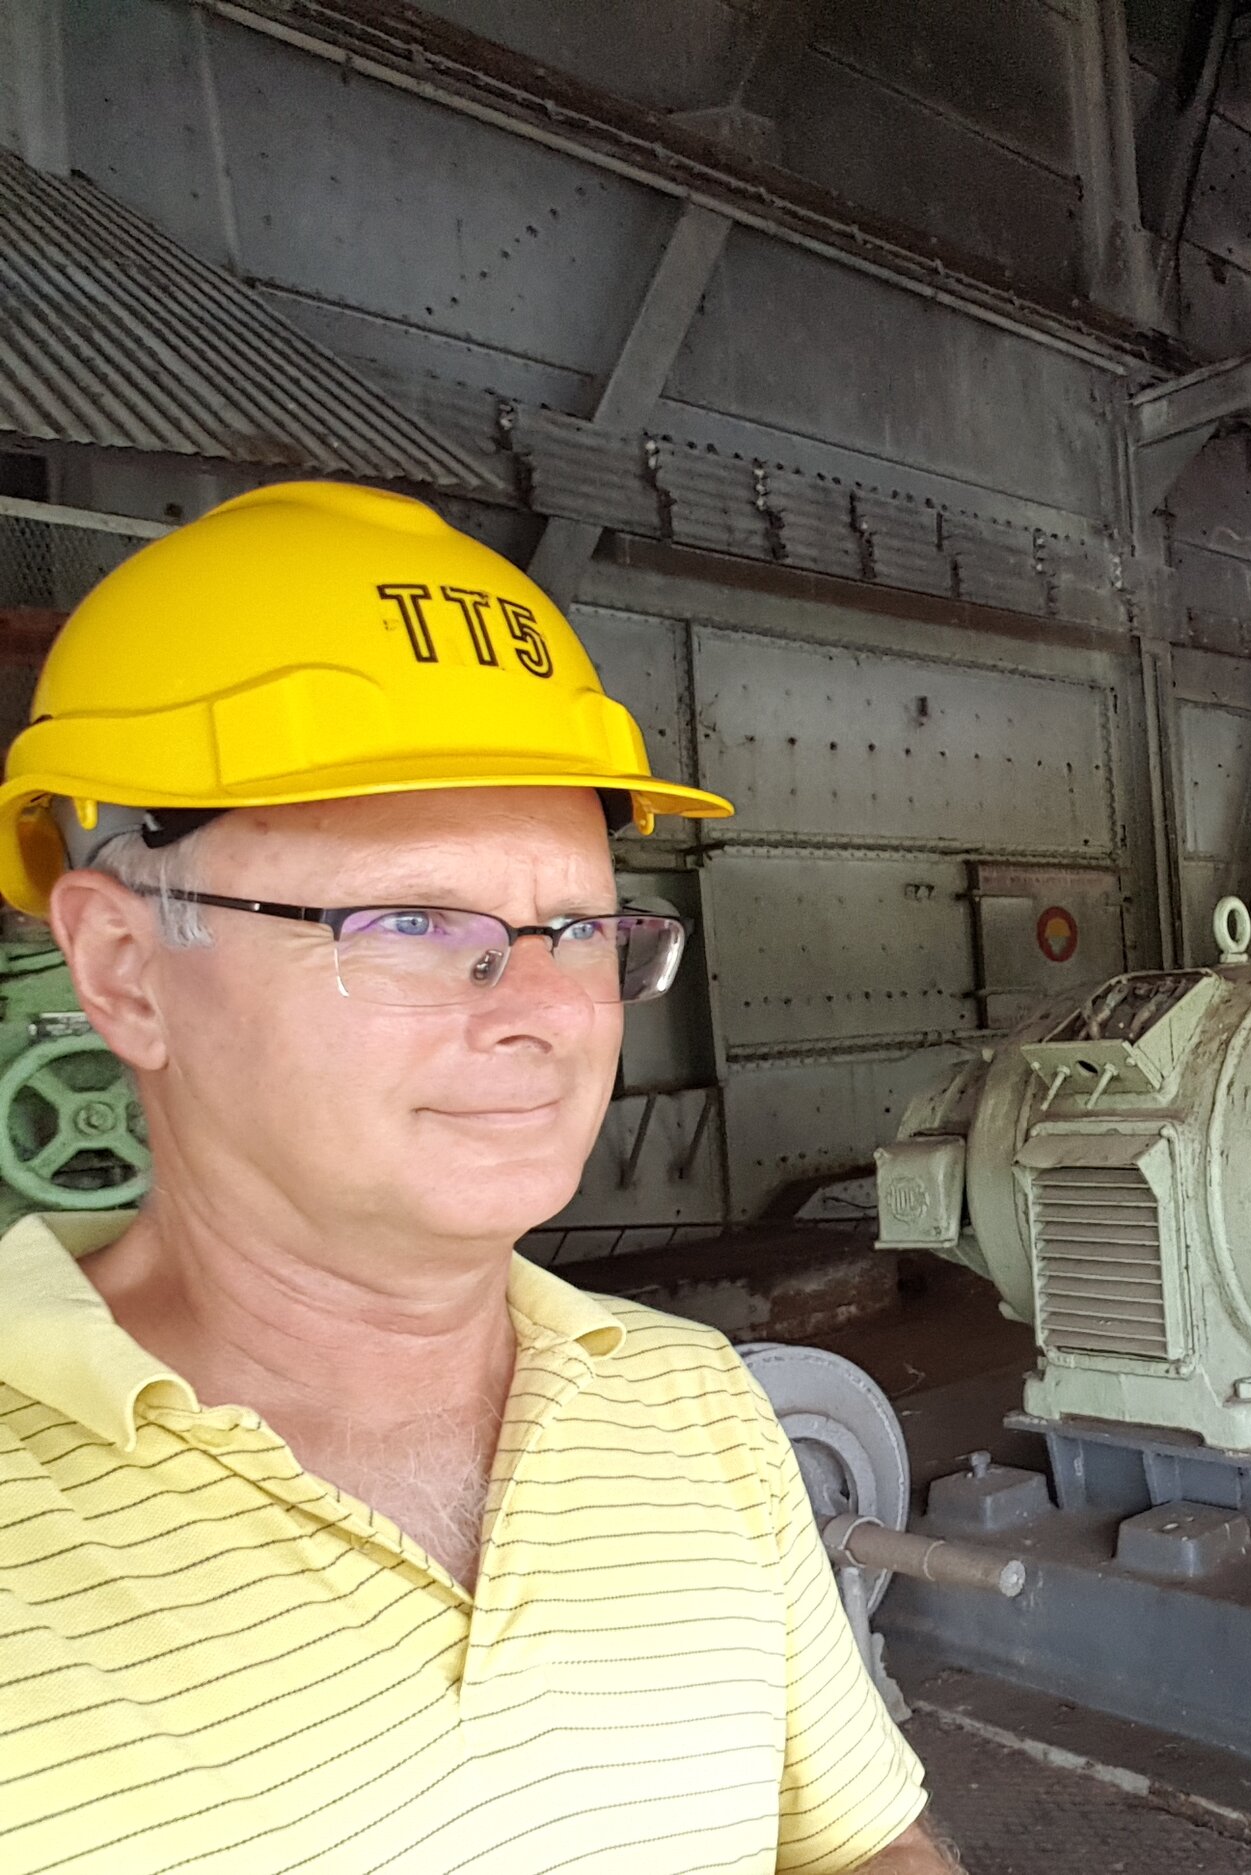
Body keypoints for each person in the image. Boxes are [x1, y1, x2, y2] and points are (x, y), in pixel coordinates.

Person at [0, 482, 963, 1873]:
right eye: (408, 920)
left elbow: (859, 1848)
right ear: (125, 970)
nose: (543, 1009)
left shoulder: (694, 1406)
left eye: (574, 925)